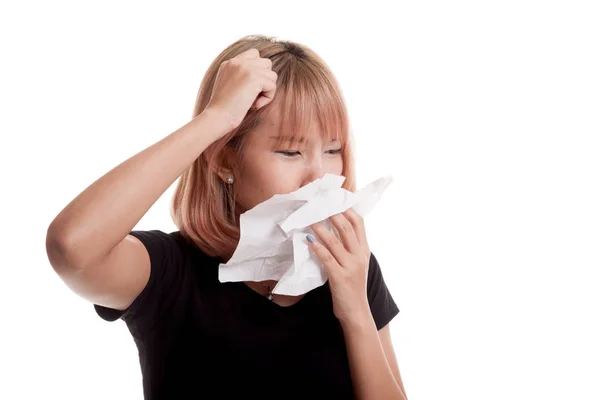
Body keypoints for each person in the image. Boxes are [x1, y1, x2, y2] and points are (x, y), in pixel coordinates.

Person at [46, 34, 408, 399]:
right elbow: (72, 246)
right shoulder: (170, 272)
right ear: (222, 159)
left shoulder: (353, 269)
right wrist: (216, 118)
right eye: (290, 152)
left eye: (333, 149)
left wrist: (356, 314)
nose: (319, 176)